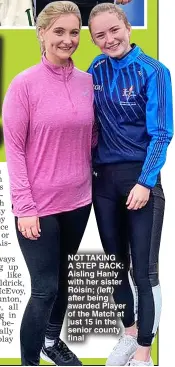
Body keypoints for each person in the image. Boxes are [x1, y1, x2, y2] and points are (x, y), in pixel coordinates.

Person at [2, 1, 95, 365]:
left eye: (74, 32)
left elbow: (93, 138)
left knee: (67, 282)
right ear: (41, 33)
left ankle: (52, 342)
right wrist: (24, 207)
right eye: (59, 31)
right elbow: (16, 150)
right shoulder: (23, 85)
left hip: (78, 201)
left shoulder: (88, 82)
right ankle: (29, 362)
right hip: (38, 207)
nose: (68, 39)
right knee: (45, 290)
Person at [88, 2, 173, 366]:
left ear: (128, 27)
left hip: (141, 181)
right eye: (100, 35)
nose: (109, 39)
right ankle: (128, 333)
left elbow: (162, 133)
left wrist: (145, 181)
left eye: (114, 30)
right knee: (114, 266)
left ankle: (143, 352)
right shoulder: (95, 70)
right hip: (103, 183)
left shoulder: (154, 71)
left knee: (144, 271)